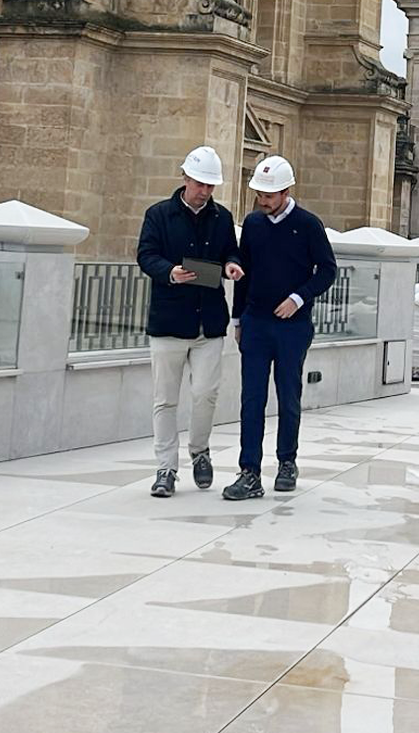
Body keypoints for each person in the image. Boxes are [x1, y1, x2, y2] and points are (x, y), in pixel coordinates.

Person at [222, 155, 337, 501]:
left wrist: (298, 298)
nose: (263, 201)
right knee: (251, 399)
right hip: (256, 323)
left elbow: (327, 270)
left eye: (269, 195)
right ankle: (249, 472)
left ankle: (287, 462)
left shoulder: (309, 225)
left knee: (289, 396)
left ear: (286, 191)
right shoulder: (254, 224)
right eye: (260, 194)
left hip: (293, 326)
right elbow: (245, 272)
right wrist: (238, 318)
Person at [136, 146, 243, 498]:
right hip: (169, 320)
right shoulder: (159, 215)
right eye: (200, 184)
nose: (205, 191)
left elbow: (231, 250)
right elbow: (146, 255)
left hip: (208, 323)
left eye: (210, 186)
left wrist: (230, 264)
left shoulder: (222, 218)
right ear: (185, 178)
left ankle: (200, 450)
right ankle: (165, 468)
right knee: (165, 400)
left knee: (205, 395)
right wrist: (170, 272)